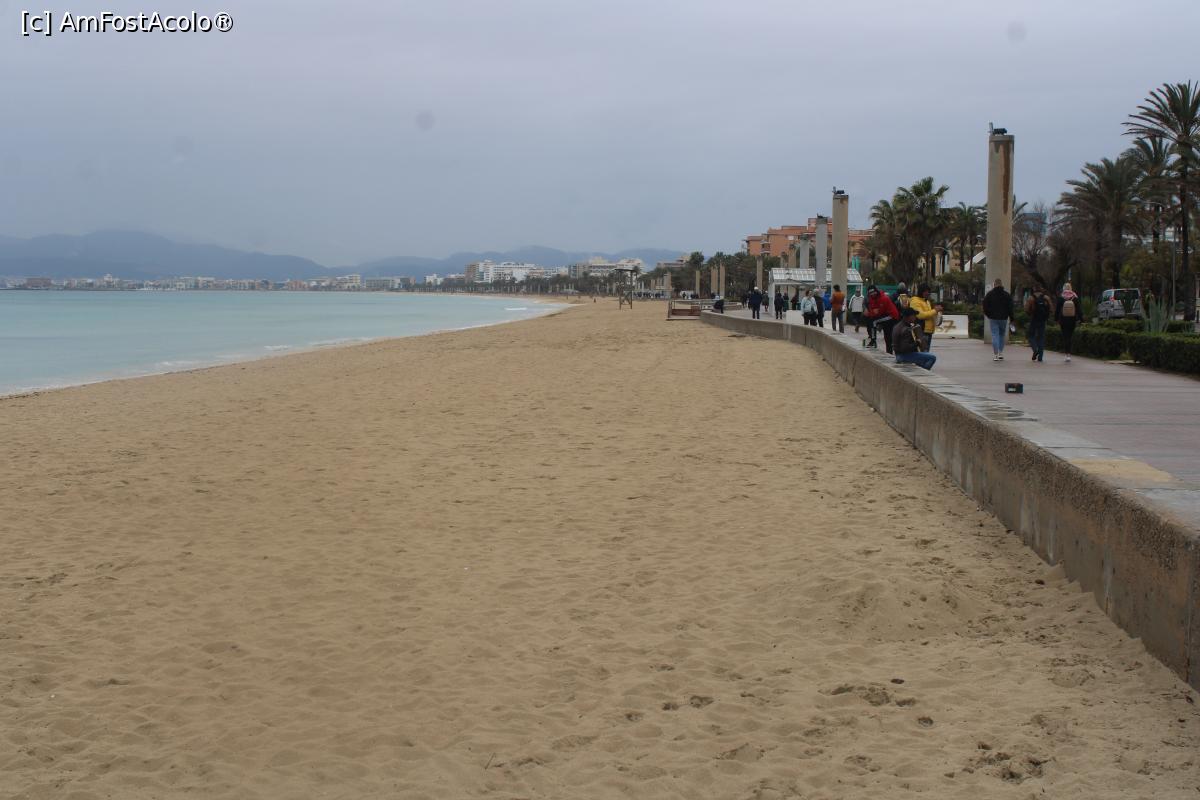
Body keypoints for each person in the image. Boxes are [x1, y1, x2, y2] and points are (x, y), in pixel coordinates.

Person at [982, 278, 1014, 361]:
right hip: (1004, 318)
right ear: (1001, 284)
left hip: (993, 318)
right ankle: (1000, 353)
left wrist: (988, 315)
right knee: (1002, 335)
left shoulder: (989, 294)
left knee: (994, 335)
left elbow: (985, 305)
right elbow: (1011, 308)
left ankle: (995, 354)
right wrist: (1011, 318)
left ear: (994, 284)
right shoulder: (1007, 295)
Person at [865, 285, 900, 353]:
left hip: (891, 316)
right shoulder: (871, 299)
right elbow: (872, 309)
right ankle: (889, 352)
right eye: (870, 293)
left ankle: (873, 340)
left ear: (876, 291)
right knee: (887, 336)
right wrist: (871, 312)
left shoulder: (883, 298)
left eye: (873, 292)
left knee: (874, 322)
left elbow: (879, 312)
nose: (872, 294)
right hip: (885, 316)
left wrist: (871, 313)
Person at [907, 284, 942, 351]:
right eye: (926, 291)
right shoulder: (915, 301)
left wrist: (936, 312)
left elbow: (929, 314)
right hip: (922, 330)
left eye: (929, 291)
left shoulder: (927, 301)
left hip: (929, 331)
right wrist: (935, 310)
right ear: (921, 291)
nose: (928, 293)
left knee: (926, 351)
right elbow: (920, 315)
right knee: (923, 351)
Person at [1024, 284, 1053, 362]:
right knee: (1041, 337)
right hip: (1043, 320)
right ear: (1041, 289)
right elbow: (1051, 309)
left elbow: (1026, 309)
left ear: (1034, 289)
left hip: (1034, 319)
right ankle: (1040, 357)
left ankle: (1035, 349)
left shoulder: (1031, 298)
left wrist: (1030, 313)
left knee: (1031, 336)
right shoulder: (1046, 298)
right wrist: (1046, 315)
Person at [1056, 282, 1080, 362]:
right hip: (1072, 320)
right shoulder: (1075, 297)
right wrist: (1081, 319)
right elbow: (1079, 309)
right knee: (1069, 336)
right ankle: (1069, 354)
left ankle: (1067, 354)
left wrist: (1056, 319)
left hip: (1063, 320)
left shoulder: (1061, 297)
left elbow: (1057, 310)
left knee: (1065, 336)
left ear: (1064, 288)